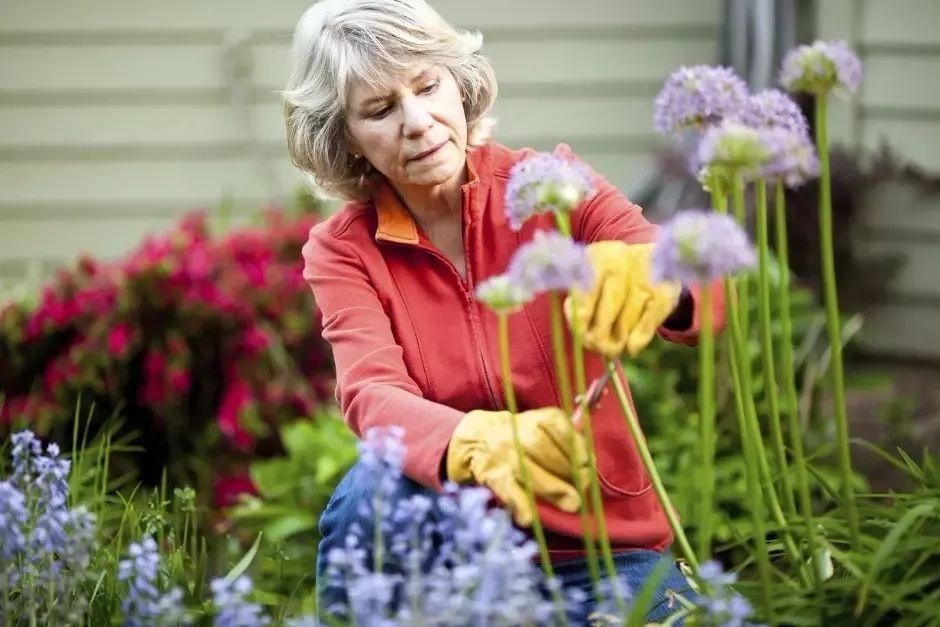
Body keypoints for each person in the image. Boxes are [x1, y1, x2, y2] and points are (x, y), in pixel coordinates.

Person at [283, 0, 725, 622]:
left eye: (427, 86)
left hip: (600, 552)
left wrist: (660, 281)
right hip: (453, 550)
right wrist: (471, 440)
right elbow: (371, 394)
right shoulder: (343, 250)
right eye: (380, 110)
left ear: (459, 85)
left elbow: (701, 283)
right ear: (345, 137)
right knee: (371, 488)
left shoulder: (552, 184)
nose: (417, 121)